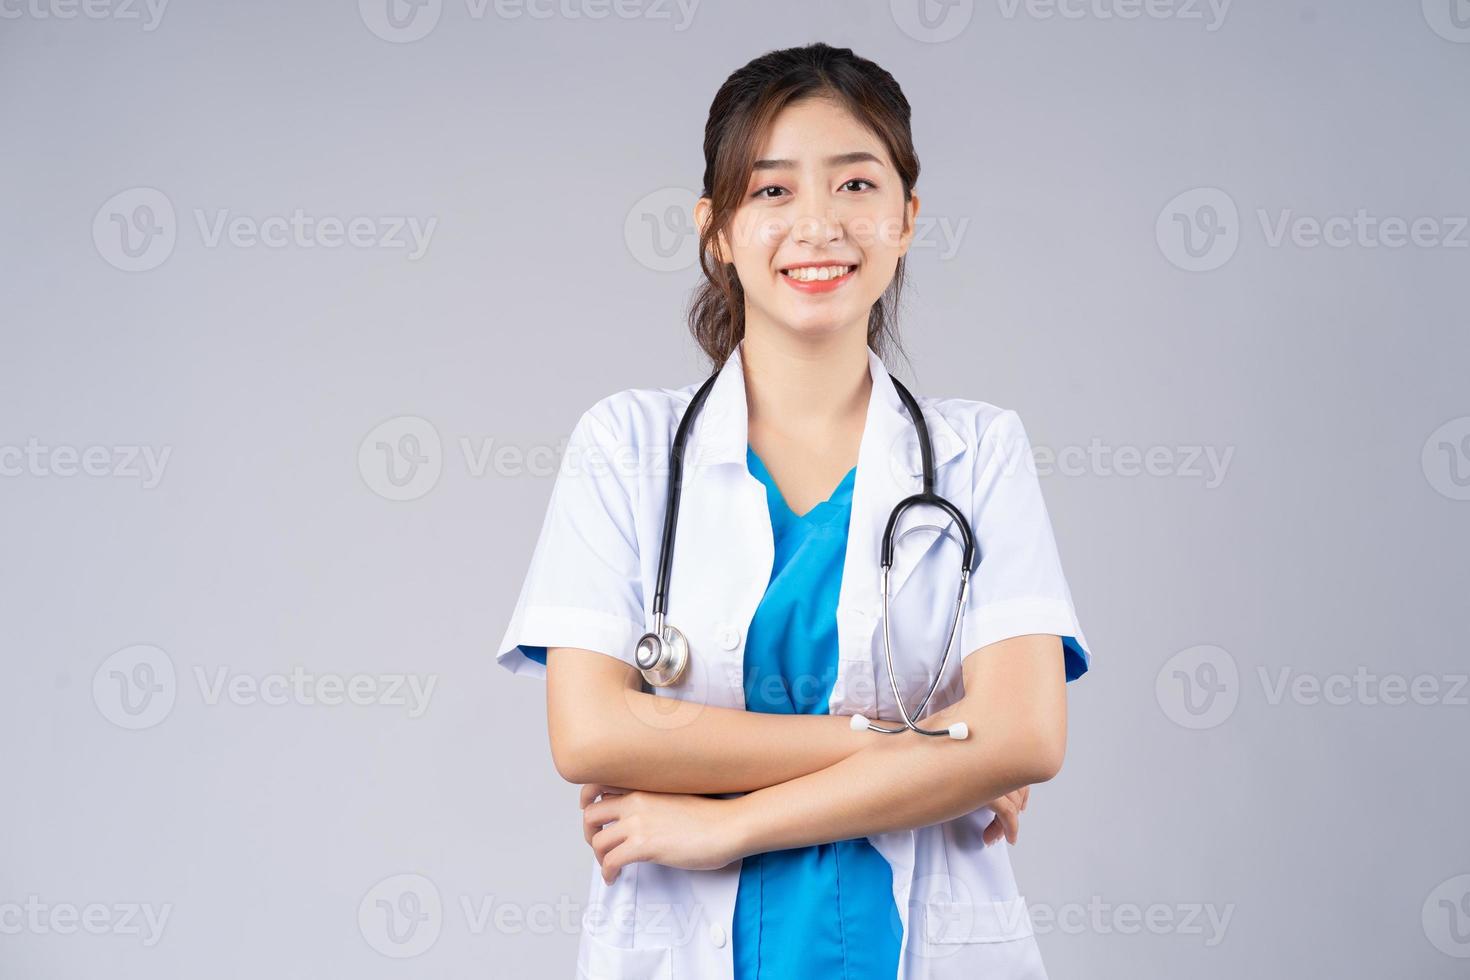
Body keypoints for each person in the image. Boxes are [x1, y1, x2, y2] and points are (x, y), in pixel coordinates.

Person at [496, 41, 1092, 980]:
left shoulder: (980, 455)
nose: (818, 223)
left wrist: (721, 821)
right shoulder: (628, 449)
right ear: (717, 229)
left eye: (856, 185)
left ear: (906, 219)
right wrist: (929, 750)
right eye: (772, 191)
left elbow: (1026, 737)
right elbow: (592, 734)